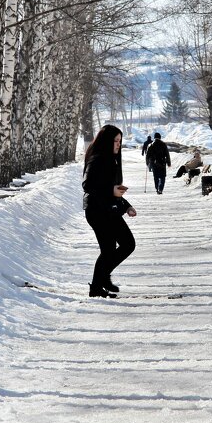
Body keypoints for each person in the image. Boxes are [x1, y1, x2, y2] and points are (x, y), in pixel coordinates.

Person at [82, 124, 136, 298]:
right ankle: (99, 283)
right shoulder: (97, 159)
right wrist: (111, 191)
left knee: (110, 250)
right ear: (107, 142)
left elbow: (111, 189)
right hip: (98, 211)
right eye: (116, 141)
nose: (118, 144)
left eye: (120, 141)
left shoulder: (110, 159)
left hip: (107, 210)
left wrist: (126, 205)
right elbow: (88, 185)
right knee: (126, 244)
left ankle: (99, 284)